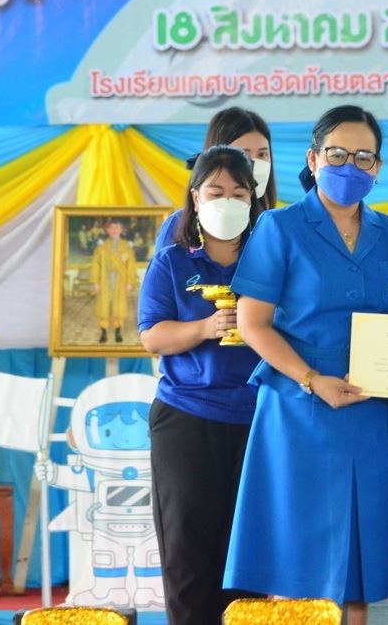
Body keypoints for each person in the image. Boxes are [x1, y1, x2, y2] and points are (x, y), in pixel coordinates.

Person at [223, 105, 388, 625]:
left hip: (372, 408)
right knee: (295, 567)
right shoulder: (279, 227)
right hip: (297, 407)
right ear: (313, 158)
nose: (350, 166)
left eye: (363, 157)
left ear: (378, 167)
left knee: (362, 573)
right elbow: (253, 323)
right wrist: (311, 379)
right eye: (337, 154)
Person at [138, 146, 265, 625]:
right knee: (188, 552)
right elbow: (152, 335)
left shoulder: (270, 260)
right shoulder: (171, 262)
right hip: (187, 419)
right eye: (215, 192)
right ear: (196, 198)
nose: (227, 202)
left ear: (253, 200)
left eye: (238, 193)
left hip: (259, 419)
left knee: (249, 551)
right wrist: (205, 328)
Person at [154, 108, 276, 256]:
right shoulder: (177, 226)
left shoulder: (273, 226)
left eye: (262, 154)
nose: (253, 164)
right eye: (242, 154)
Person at [90, 219, 138, 343]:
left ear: (121, 230)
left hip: (120, 280)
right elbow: (96, 265)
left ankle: (118, 331)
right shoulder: (102, 247)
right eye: (111, 228)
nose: (114, 230)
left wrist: (129, 282)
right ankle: (104, 332)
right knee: (104, 306)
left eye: (117, 228)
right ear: (107, 230)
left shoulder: (126, 247)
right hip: (104, 279)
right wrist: (95, 282)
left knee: (119, 306)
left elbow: (131, 266)